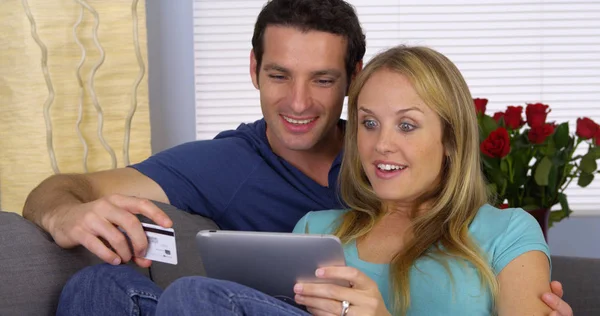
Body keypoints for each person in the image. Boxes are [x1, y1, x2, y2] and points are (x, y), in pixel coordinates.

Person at [27, 0, 570, 314]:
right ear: (254, 70)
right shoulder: (316, 224)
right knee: (94, 286)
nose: (383, 144)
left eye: (408, 125)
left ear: (451, 139)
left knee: (196, 296)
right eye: (370, 123)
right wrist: (64, 211)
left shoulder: (505, 232)